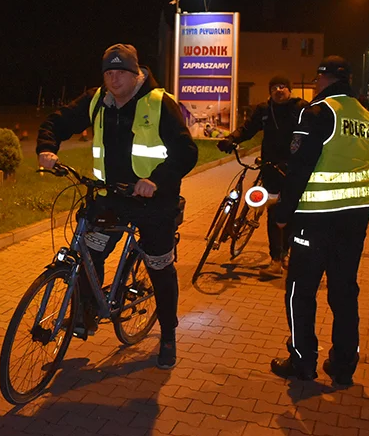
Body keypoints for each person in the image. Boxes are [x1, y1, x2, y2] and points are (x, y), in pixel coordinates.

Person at [37, 44, 198, 370]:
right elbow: (60, 120)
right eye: (108, 73)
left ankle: (168, 335)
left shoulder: (158, 103)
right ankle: (86, 314)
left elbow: (186, 151)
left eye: (120, 72)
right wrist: (46, 147)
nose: (113, 79)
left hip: (154, 202)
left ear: (135, 72)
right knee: (88, 251)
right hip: (110, 198)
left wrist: (155, 180)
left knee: (159, 266)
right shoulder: (98, 100)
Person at [270, 56, 369, 386]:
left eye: (318, 79)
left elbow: (300, 167)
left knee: (299, 290)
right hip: (357, 216)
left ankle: (303, 361)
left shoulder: (318, 112)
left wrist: (282, 215)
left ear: (324, 78)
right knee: (344, 290)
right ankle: (344, 365)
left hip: (317, 218)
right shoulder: (368, 118)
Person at [216, 75, 307, 275]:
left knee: (291, 212)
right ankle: (276, 260)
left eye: (283, 86)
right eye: (274, 87)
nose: (279, 90)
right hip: (270, 167)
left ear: (290, 90)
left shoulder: (300, 109)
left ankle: (286, 253)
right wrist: (231, 139)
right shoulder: (264, 110)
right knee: (273, 212)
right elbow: (248, 129)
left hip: (293, 169)